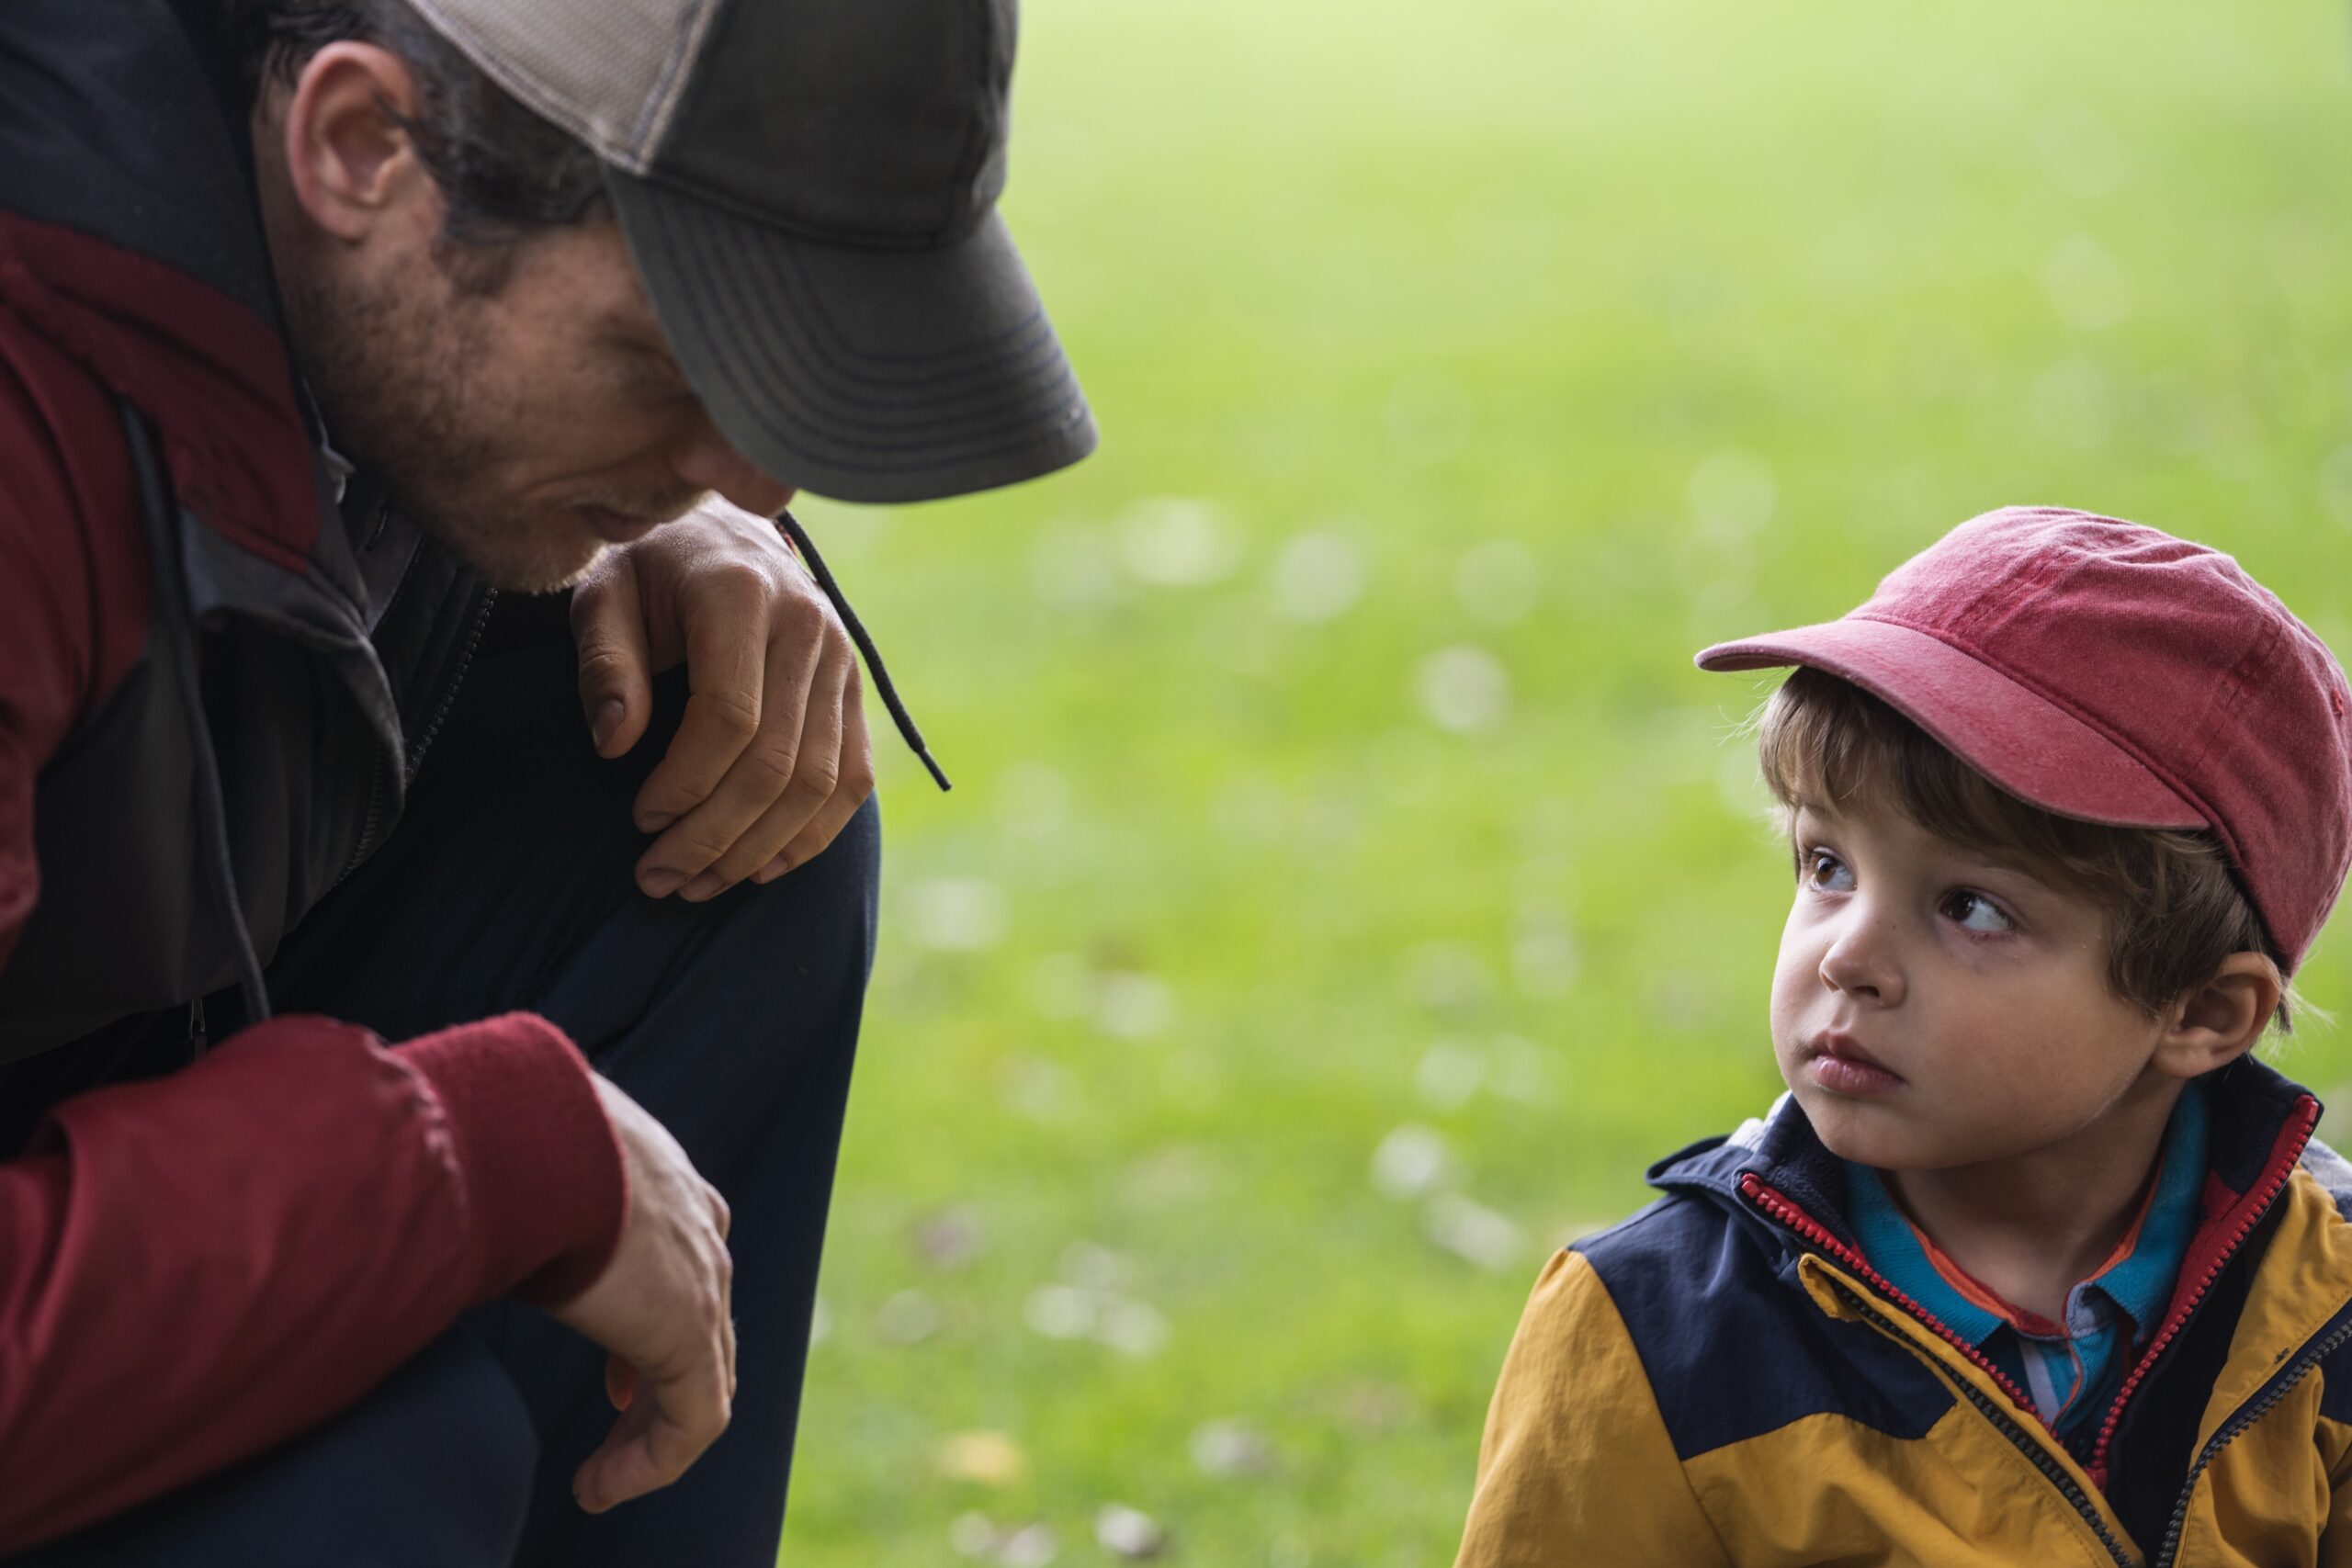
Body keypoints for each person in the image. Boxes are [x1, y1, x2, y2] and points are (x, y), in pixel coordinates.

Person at [0, 0, 1093, 1562]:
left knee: (716, 779)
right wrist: (469, 1152)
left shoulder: (321, 225)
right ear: (360, 146)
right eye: (665, 360)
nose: (760, 478)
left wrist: (625, 517)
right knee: (377, 1465)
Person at [1453, 507, 2352, 1567]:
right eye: (1826, 865)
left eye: (1970, 907)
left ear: (2199, 1013)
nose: (1847, 958)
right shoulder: (1649, 1335)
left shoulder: (2326, 1301)